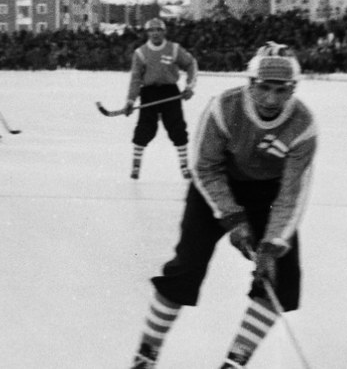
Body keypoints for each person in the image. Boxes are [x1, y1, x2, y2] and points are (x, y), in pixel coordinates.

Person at [128, 43, 316, 369]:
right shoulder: (224, 108)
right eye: (264, 88)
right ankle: (146, 355)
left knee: (280, 281)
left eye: (282, 90)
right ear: (250, 83)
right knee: (186, 269)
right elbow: (205, 168)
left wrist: (271, 246)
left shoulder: (303, 124)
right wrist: (233, 217)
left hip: (267, 196)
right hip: (216, 186)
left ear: (293, 89)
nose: (271, 99)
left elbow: (292, 193)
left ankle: (234, 362)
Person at [123, 18, 198, 180]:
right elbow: (135, 79)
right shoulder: (141, 53)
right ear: (147, 33)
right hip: (149, 93)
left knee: (177, 129)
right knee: (144, 129)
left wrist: (189, 86)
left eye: (158, 30)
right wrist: (130, 100)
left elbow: (191, 64)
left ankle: (184, 167)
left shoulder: (174, 49)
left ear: (164, 32)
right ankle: (136, 167)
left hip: (170, 92)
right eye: (152, 30)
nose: (155, 33)